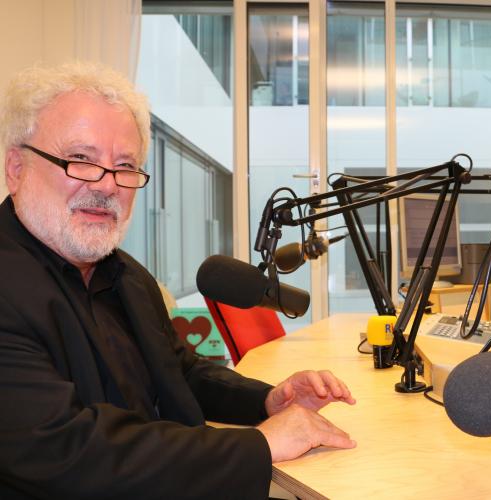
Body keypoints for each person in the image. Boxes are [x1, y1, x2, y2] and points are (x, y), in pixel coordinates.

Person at [0, 62, 356, 499]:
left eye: (125, 165)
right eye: (81, 160)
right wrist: (261, 443)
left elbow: (178, 372)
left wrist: (267, 400)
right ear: (16, 167)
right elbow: (65, 451)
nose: (108, 186)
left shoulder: (127, 275)